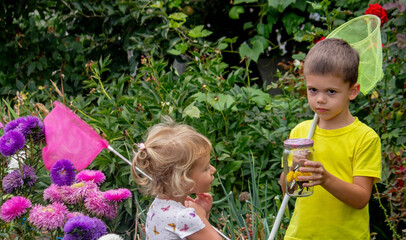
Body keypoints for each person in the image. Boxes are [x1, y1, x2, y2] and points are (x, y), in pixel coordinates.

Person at [279, 38, 382, 239]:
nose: (320, 99)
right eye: (313, 90)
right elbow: (288, 190)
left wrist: (325, 179)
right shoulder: (301, 132)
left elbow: (361, 198)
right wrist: (293, 171)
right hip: (300, 235)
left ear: (352, 91)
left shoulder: (365, 138)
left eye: (331, 92)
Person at [131, 119, 222, 240]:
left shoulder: (157, 205)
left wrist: (203, 214)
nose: (213, 169)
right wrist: (200, 217)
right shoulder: (184, 217)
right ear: (183, 179)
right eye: (205, 168)